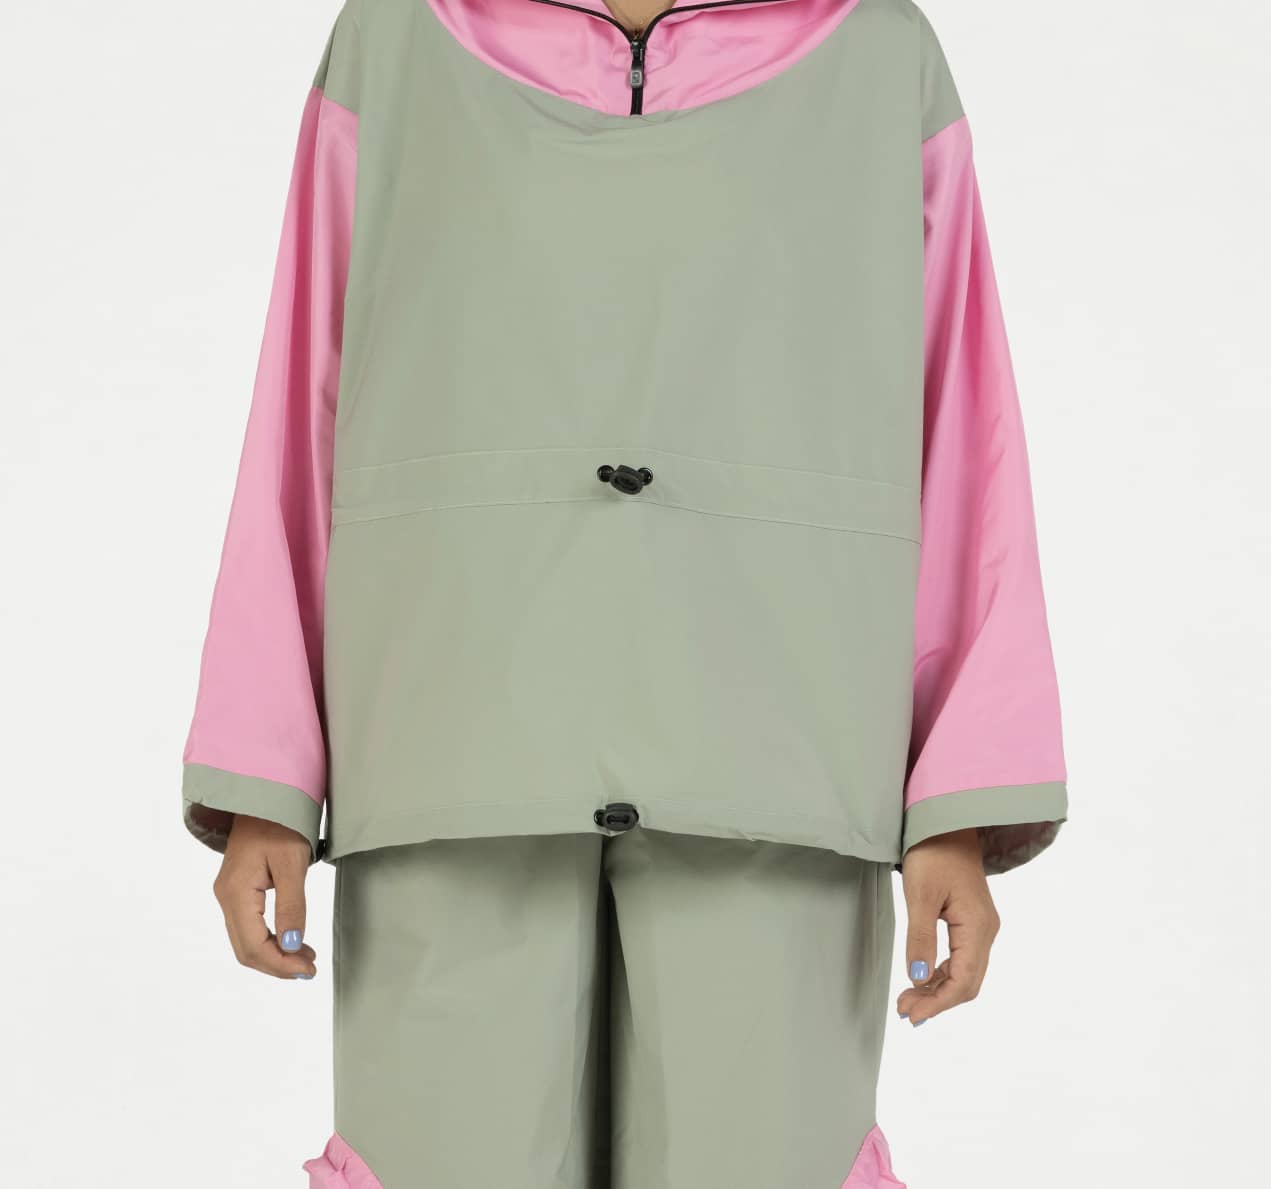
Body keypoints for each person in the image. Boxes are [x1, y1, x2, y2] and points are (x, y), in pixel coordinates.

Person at [181, 0, 1069, 1184]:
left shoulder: (875, 54)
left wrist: (952, 799)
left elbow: (962, 424)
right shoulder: (395, 39)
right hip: (452, 742)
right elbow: (305, 398)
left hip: (777, 754)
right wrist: (267, 781)